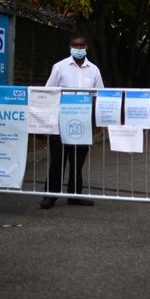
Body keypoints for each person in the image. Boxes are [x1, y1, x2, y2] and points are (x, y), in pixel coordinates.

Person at [40, 33, 104, 209]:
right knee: (57, 159)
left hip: (83, 122)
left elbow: (98, 96)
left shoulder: (94, 70)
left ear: (86, 48)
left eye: (81, 45)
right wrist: (48, 120)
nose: (78, 48)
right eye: (75, 46)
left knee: (78, 161)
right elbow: (48, 92)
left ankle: (74, 195)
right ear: (70, 47)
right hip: (61, 121)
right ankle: (50, 196)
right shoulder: (60, 67)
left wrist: (99, 123)